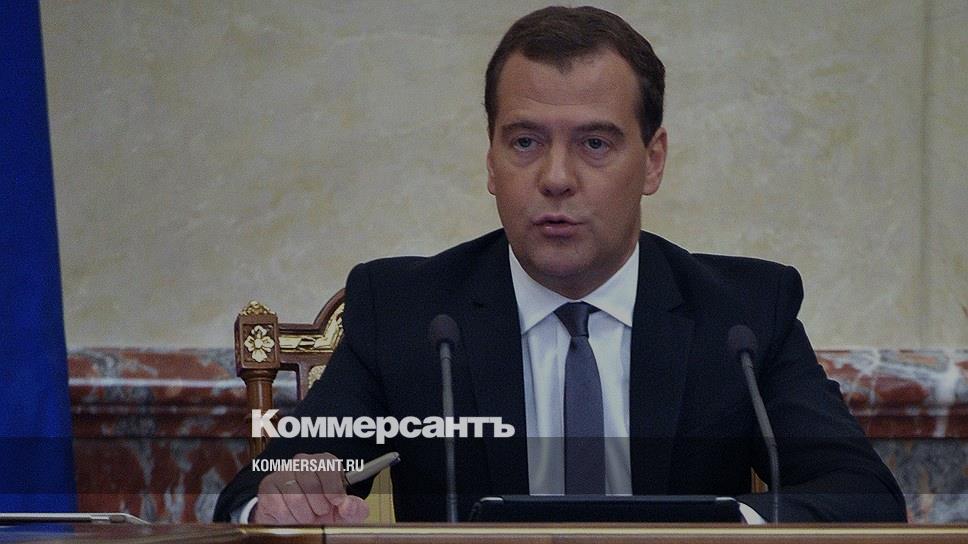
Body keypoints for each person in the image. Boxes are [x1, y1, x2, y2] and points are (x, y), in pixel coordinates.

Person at [215, 5, 906, 524]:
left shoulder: (743, 315)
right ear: (491, 160)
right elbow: (254, 493)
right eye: (524, 142)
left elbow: (862, 495)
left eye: (595, 144)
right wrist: (287, 498)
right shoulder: (407, 311)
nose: (555, 178)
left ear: (653, 161)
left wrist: (722, 528)